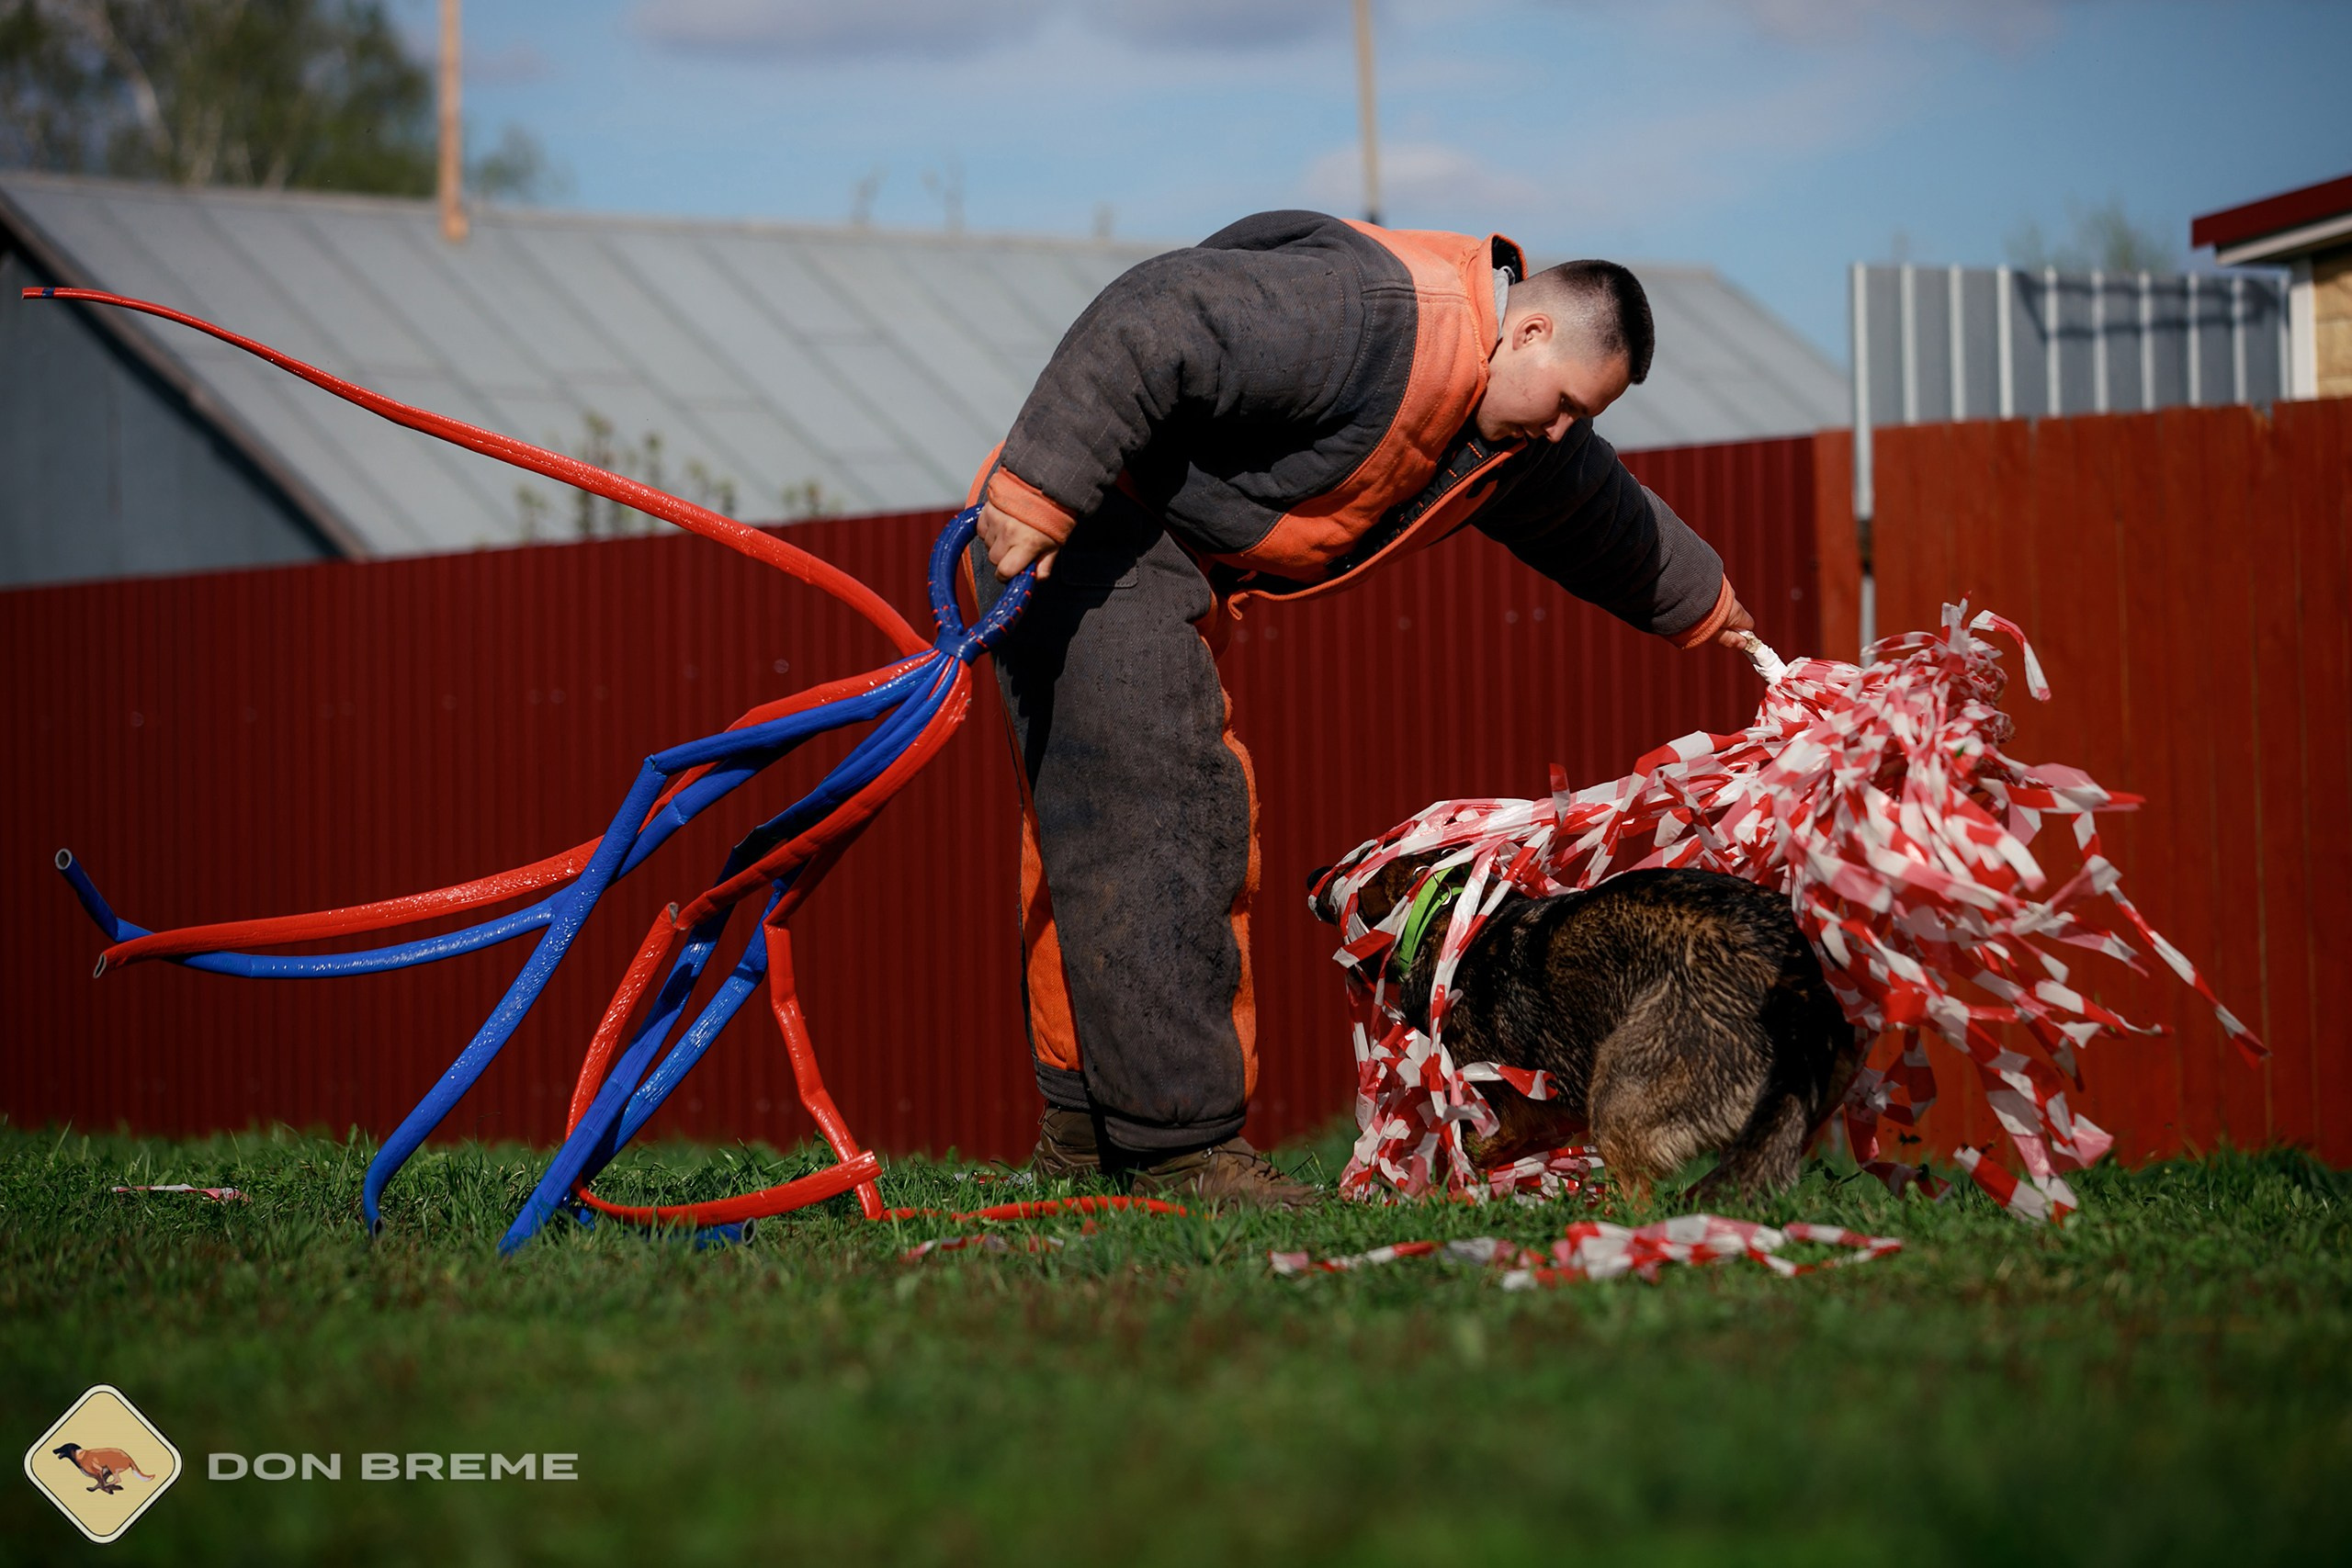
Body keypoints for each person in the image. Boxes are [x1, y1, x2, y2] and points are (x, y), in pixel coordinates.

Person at [966, 210, 1754, 1206]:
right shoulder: (1383, 316)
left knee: (1090, 842)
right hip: (1076, 533)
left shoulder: (1500, 414)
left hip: (1133, 557)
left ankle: (1085, 1143)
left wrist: (1716, 613)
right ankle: (1181, 1154)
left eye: (1579, 419)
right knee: (1169, 812)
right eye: (1562, 404)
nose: (1561, 430)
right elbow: (1158, 312)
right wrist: (1038, 495)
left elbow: (1597, 513)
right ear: (1532, 332)